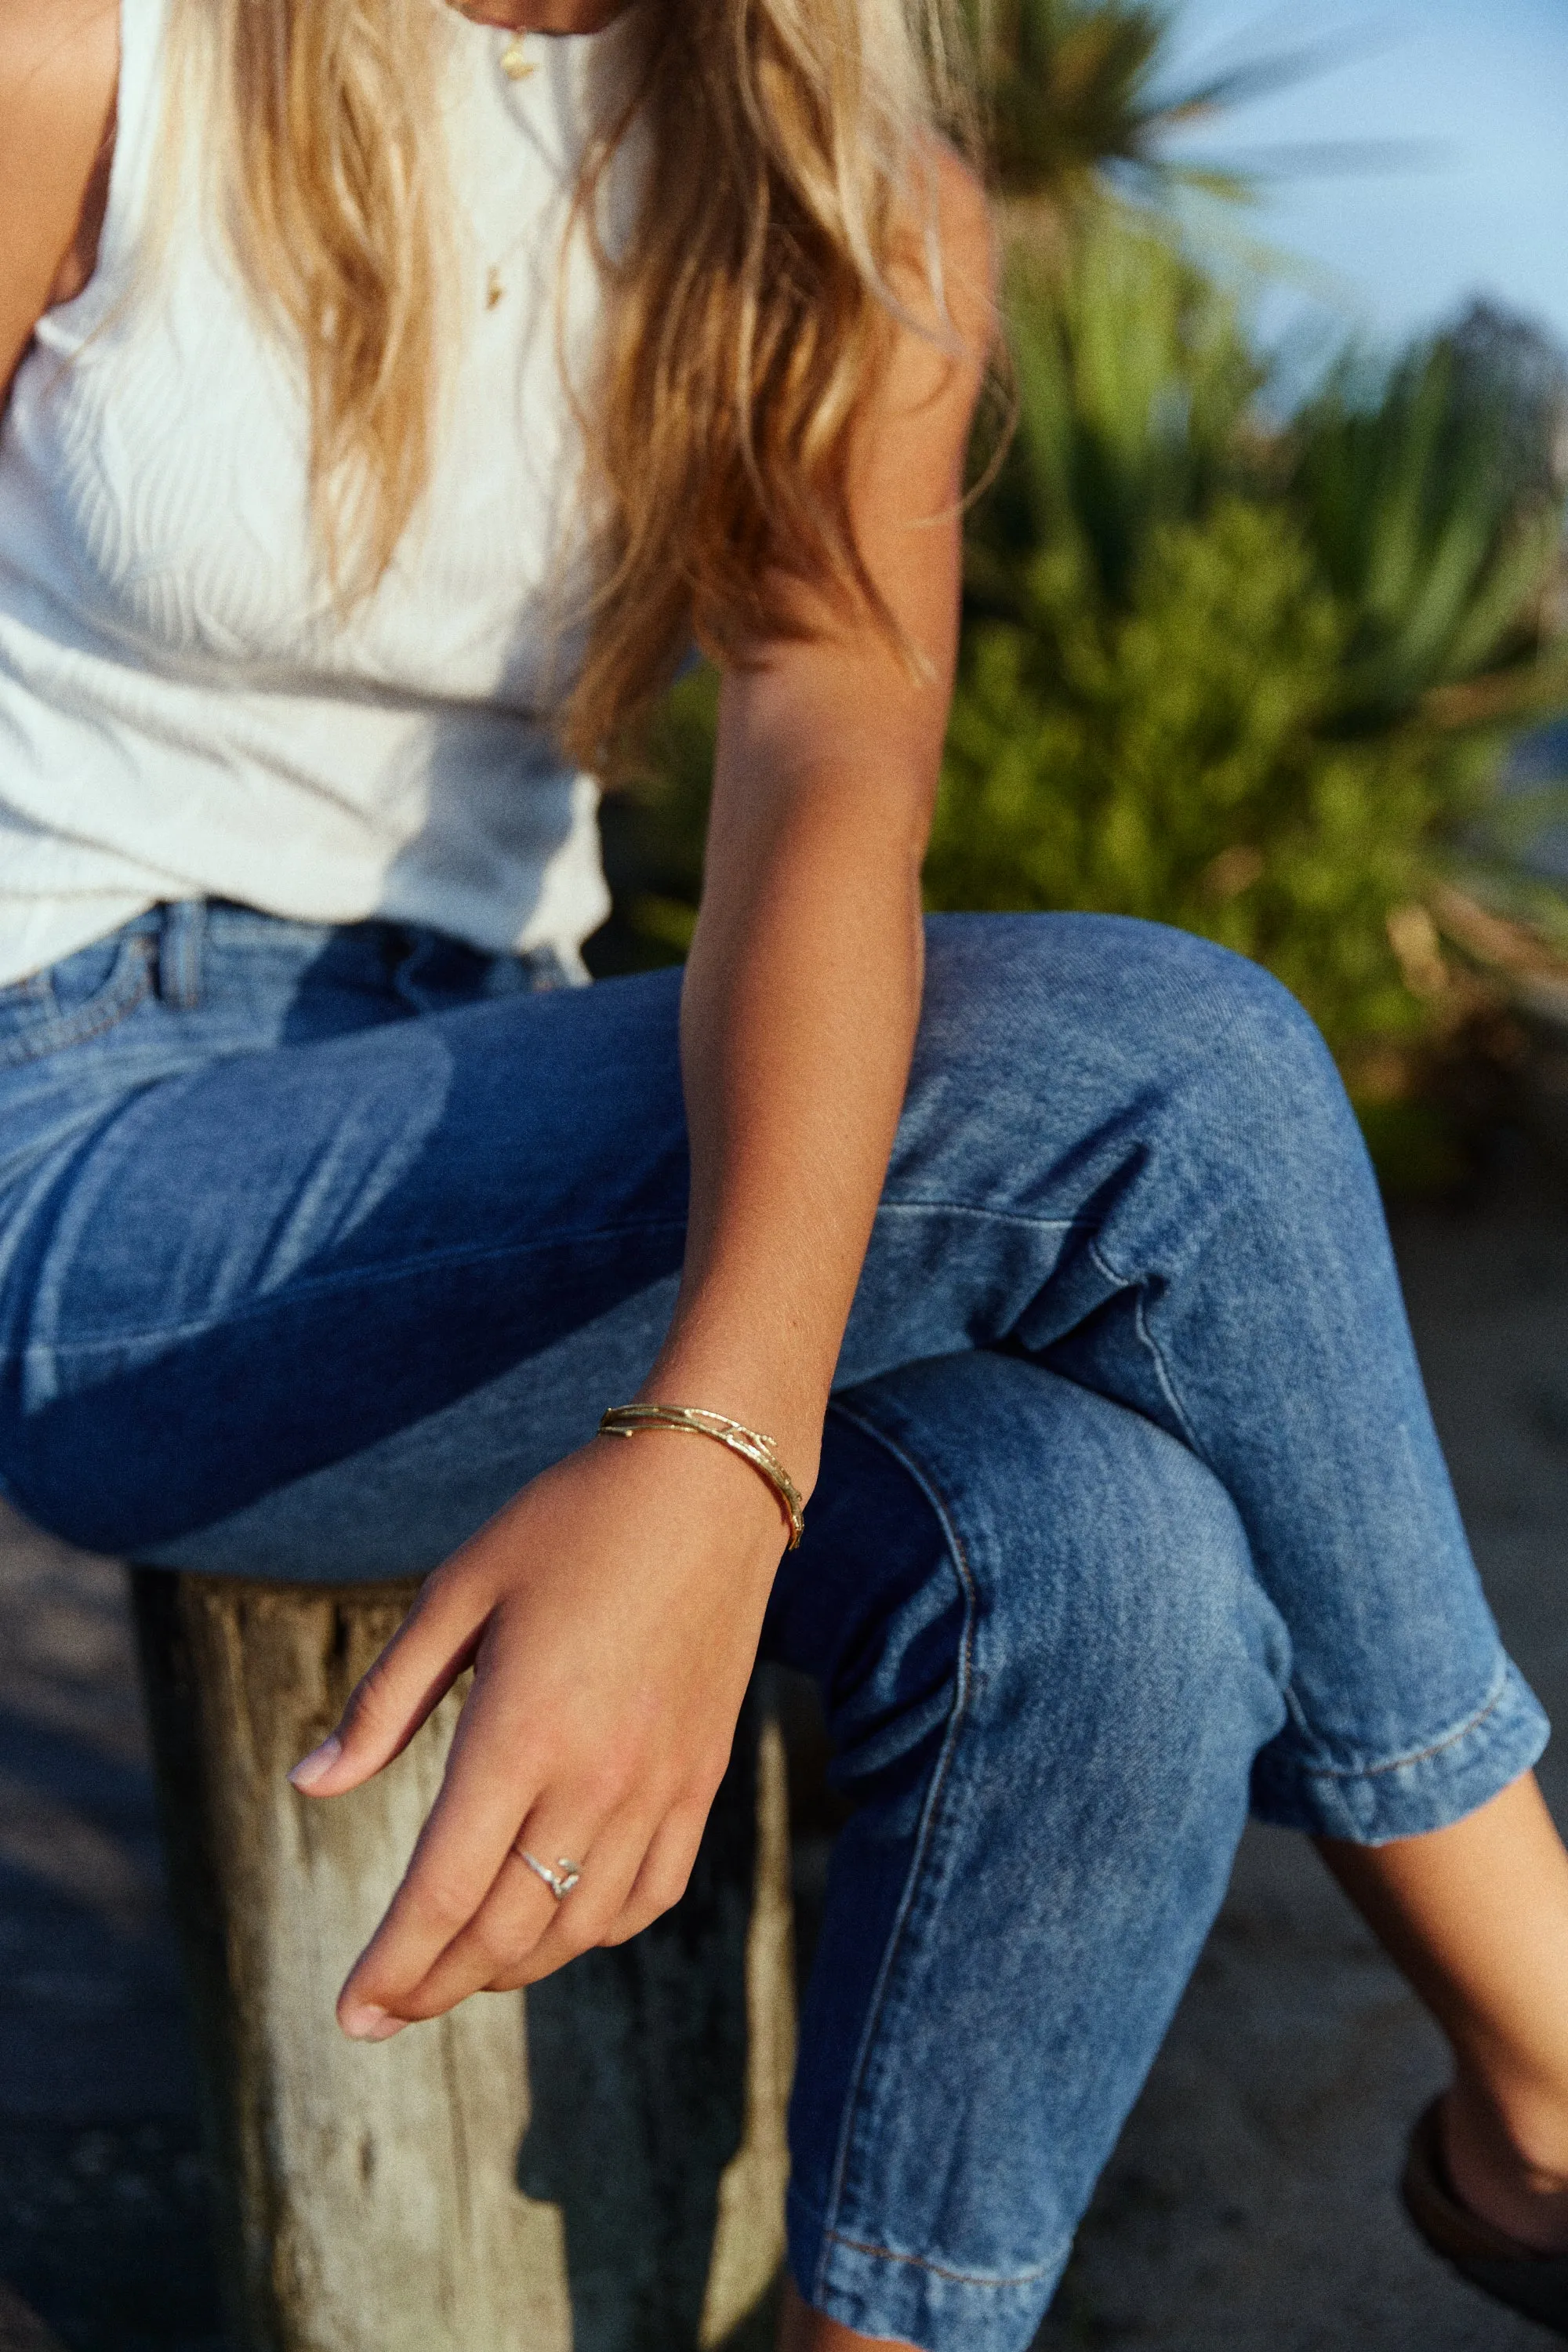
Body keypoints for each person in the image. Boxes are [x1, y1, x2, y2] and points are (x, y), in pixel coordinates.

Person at [4, 2, 1568, 2344]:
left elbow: (833, 776)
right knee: (1188, 1066)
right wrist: (732, 1435)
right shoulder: (93, 52)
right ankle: (1549, 2106)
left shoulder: (850, 182)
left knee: (1107, 1550)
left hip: (507, 1104)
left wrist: (714, 1449)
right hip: (94, 1150)